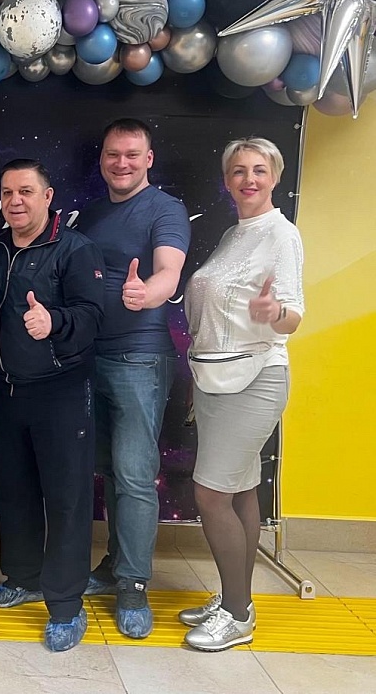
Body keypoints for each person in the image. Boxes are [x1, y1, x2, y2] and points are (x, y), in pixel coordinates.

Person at [180, 138, 304, 651]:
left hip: (255, 377)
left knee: (211, 495)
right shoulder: (236, 232)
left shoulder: (281, 233)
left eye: (258, 170)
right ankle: (236, 597)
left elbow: (293, 315)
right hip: (215, 378)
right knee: (242, 490)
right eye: (238, 171)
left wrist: (275, 313)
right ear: (227, 179)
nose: (248, 179)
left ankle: (237, 615)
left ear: (275, 176)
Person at [0, 159, 104, 653]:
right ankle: (24, 578)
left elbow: (93, 315)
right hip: (7, 391)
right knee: (13, 492)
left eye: (26, 191)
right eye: (7, 192)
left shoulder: (75, 248)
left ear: (48, 197)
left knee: (67, 499)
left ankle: (67, 604)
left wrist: (54, 321)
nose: (15, 201)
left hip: (61, 391)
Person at [74, 119, 191, 638]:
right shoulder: (91, 213)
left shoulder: (165, 210)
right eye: (112, 154)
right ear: (102, 159)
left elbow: (169, 271)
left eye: (131, 154)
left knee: (136, 474)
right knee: (111, 471)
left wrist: (149, 294)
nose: (121, 163)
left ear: (148, 159)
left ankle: (134, 585)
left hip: (140, 358)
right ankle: (114, 566)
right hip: (90, 358)